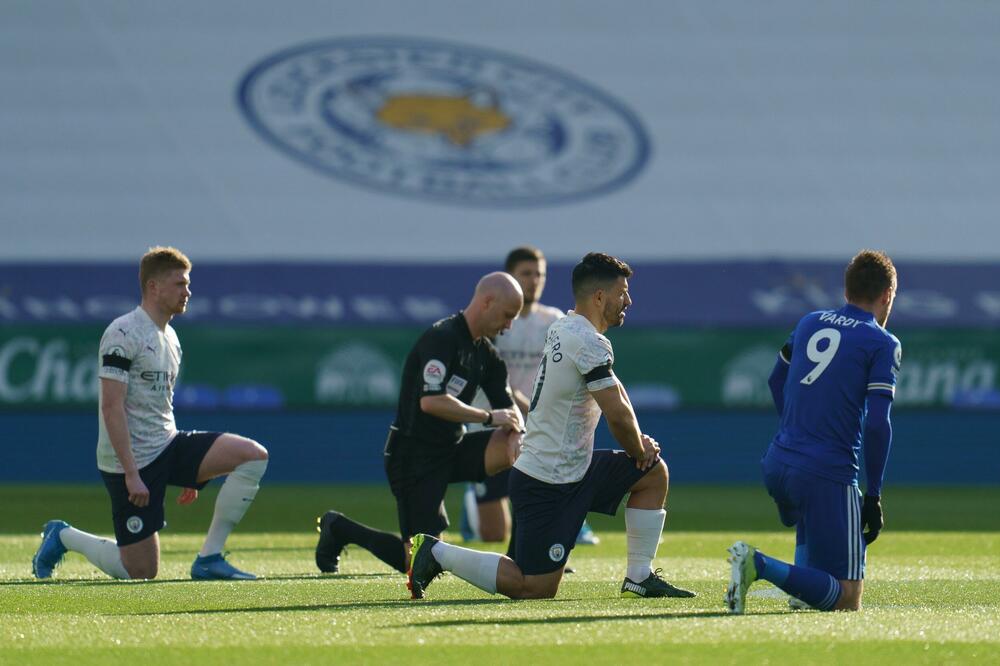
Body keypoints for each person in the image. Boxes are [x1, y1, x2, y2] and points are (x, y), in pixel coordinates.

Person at [408, 252, 696, 600]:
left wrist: (642, 448)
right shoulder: (586, 340)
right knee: (534, 587)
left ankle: (639, 576)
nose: (628, 301)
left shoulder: (566, 327)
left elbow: (617, 394)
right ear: (600, 297)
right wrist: (637, 447)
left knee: (652, 473)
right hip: (547, 480)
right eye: (622, 292)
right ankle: (437, 552)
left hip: (575, 467)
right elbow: (617, 414)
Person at [31, 247, 269, 581]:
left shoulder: (171, 337)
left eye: (187, 284)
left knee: (253, 456)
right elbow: (111, 406)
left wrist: (194, 472)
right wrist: (131, 473)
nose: (187, 291)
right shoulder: (122, 333)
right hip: (131, 462)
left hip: (167, 444)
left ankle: (209, 558)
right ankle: (63, 536)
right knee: (141, 572)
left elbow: (161, 405)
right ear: (154, 287)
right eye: (180, 284)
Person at [314, 273, 525, 578]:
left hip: (452, 449)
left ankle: (520, 555)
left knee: (516, 448)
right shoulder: (443, 338)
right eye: (507, 316)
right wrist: (488, 418)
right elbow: (431, 402)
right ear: (487, 301)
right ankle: (339, 528)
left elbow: (508, 408)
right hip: (413, 456)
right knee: (421, 562)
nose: (509, 326)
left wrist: (518, 431)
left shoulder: (487, 355)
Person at [725, 249, 901, 614]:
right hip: (827, 472)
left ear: (846, 289)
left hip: (778, 460)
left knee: (811, 519)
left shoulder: (809, 322)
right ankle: (757, 564)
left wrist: (796, 430)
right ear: (887, 296)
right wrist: (874, 496)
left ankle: (801, 590)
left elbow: (776, 378)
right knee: (848, 598)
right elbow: (877, 422)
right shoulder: (882, 342)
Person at [461, 246, 598, 546]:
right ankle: (473, 506)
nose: (535, 280)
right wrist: (528, 406)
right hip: (492, 427)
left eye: (540, 274)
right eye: (526, 273)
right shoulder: (492, 320)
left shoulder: (554, 320)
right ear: (509, 277)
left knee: (537, 505)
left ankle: (541, 559)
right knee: (494, 534)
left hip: (536, 429)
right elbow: (490, 380)